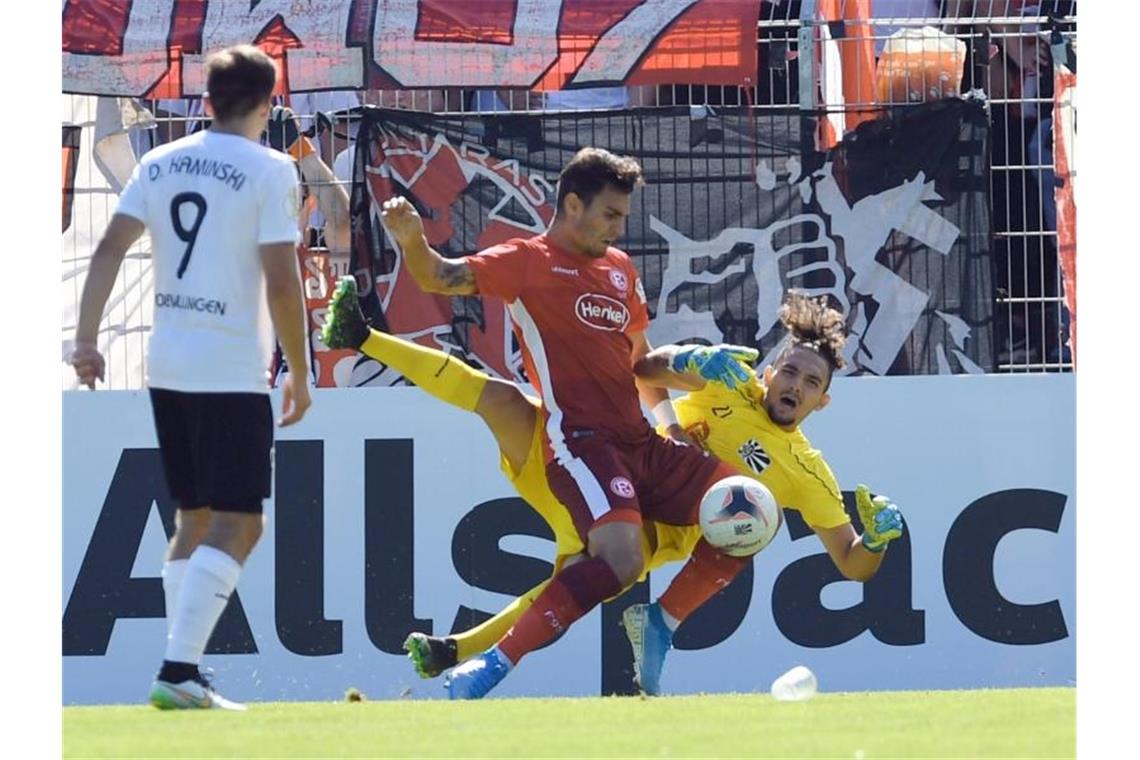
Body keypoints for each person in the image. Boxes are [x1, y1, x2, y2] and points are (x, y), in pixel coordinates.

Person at [323, 285, 904, 695]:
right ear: (769, 369)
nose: (795, 386)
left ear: (823, 400)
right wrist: (688, 373)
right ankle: (362, 335)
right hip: (603, 468)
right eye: (790, 371)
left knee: (747, 519)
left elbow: (852, 564)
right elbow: (647, 371)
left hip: (648, 526)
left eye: (811, 383)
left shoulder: (808, 471)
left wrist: (875, 541)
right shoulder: (732, 380)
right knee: (501, 400)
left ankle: (462, 652)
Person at [70, 44, 312, 710]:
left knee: (194, 518)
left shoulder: (160, 160)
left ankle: (183, 669)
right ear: (271, 103)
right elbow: (283, 281)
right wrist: (300, 368)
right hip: (231, 366)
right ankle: (179, 668)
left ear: (204, 102)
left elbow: (110, 248)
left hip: (169, 362)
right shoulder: (269, 170)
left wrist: (86, 341)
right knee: (241, 523)